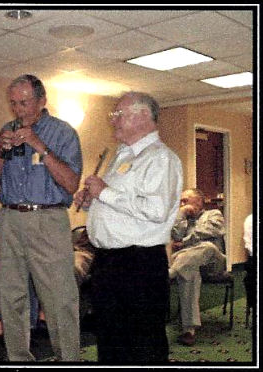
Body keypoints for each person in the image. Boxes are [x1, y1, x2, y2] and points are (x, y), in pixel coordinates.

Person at [74, 91, 183, 364]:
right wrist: (91, 202)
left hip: (139, 264)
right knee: (111, 341)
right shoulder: (123, 155)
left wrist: (105, 193)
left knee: (143, 344)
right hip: (110, 262)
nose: (113, 121)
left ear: (143, 115)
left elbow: (156, 210)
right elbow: (122, 208)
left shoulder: (160, 158)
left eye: (118, 114)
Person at [0, 74, 82, 361]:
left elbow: (71, 184)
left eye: (24, 102)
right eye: (14, 103)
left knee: (59, 298)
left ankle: (68, 360)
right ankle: (19, 359)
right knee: (10, 296)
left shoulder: (63, 132)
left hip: (47, 219)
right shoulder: (7, 130)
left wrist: (39, 145)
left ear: (42, 101)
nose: (18, 110)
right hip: (9, 220)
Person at [169, 188, 226, 346]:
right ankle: (189, 330)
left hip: (213, 262)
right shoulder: (184, 219)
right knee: (189, 271)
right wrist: (181, 213)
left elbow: (212, 230)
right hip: (189, 261)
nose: (182, 204)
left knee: (207, 246)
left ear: (199, 201)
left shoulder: (214, 214)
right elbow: (176, 237)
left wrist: (185, 242)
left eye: (185, 200)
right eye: (181, 201)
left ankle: (170, 273)